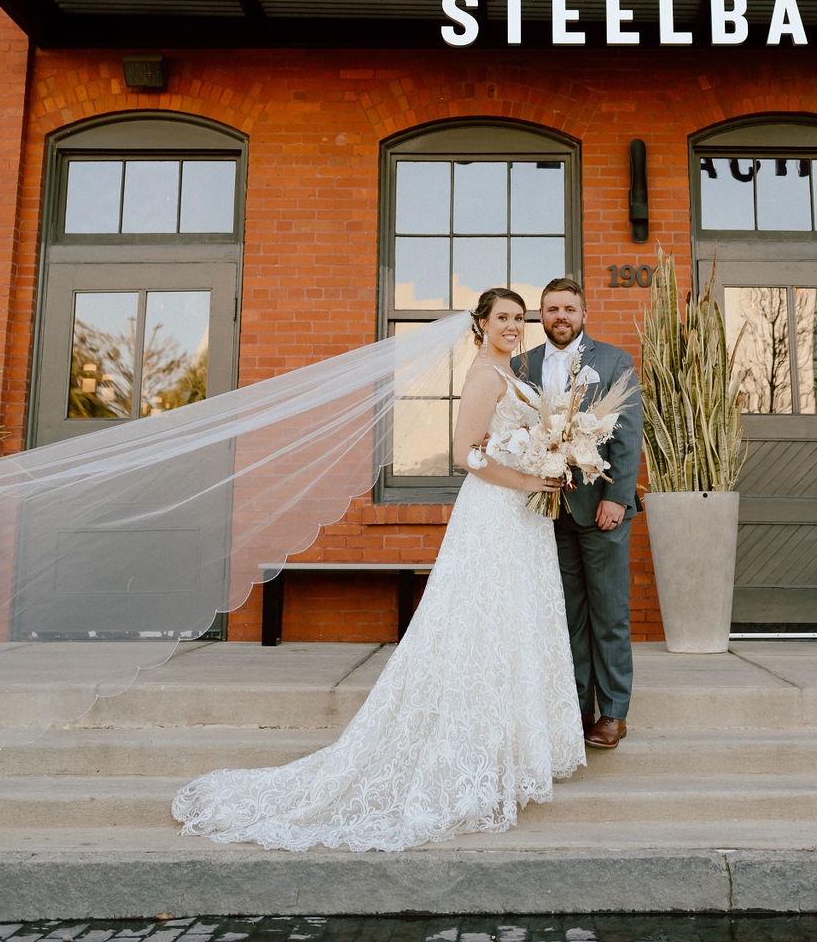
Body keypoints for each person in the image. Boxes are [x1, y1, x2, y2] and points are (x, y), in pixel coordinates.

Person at [171, 288, 584, 853]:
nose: (514, 326)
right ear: (481, 324)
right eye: (503, 318)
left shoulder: (513, 374)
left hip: (523, 519)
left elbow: (511, 443)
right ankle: (471, 755)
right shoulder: (485, 377)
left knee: (514, 625)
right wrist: (532, 479)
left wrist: (551, 459)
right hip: (496, 514)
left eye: (519, 318)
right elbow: (466, 453)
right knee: (479, 627)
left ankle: (509, 748)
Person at [513, 277, 643, 750]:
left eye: (569, 309)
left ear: (584, 314)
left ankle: (613, 712)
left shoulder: (613, 361)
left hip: (601, 507)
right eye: (551, 310)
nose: (560, 317)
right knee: (566, 615)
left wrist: (618, 497)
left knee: (609, 611)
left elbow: (627, 435)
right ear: (540, 316)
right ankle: (575, 708)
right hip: (547, 512)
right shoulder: (520, 365)